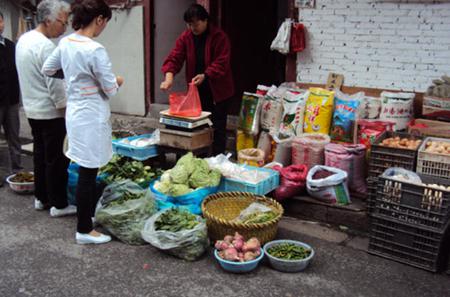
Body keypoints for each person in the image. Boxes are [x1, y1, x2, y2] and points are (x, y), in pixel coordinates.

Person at [43, 0, 123, 244]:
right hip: (91, 115)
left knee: (83, 165)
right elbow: (110, 89)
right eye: (105, 23)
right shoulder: (94, 49)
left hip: (75, 113)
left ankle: (85, 222)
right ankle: (84, 229)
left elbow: (48, 69)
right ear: (99, 19)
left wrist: (74, 76)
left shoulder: (65, 42)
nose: (103, 28)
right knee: (89, 171)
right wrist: (118, 80)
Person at [16, 0, 74, 216]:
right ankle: (59, 204)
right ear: (49, 20)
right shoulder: (45, 46)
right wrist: (66, 110)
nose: (64, 27)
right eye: (63, 22)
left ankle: (42, 198)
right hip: (50, 112)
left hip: (32, 109)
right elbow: (56, 84)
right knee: (57, 159)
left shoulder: (24, 40)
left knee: (40, 156)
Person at [161, 4, 234, 155]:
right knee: (198, 127)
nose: (193, 27)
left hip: (218, 92)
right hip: (197, 92)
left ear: (206, 20)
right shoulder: (186, 37)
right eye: (189, 24)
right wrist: (168, 79)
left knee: (218, 127)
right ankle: (199, 158)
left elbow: (221, 63)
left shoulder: (219, 37)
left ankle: (217, 160)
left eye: (196, 23)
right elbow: (175, 58)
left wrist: (205, 75)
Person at [0, 10, 22, 186]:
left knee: (14, 137)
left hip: (12, 100)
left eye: (0, 22)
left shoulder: (10, 45)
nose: (0, 25)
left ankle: (16, 170)